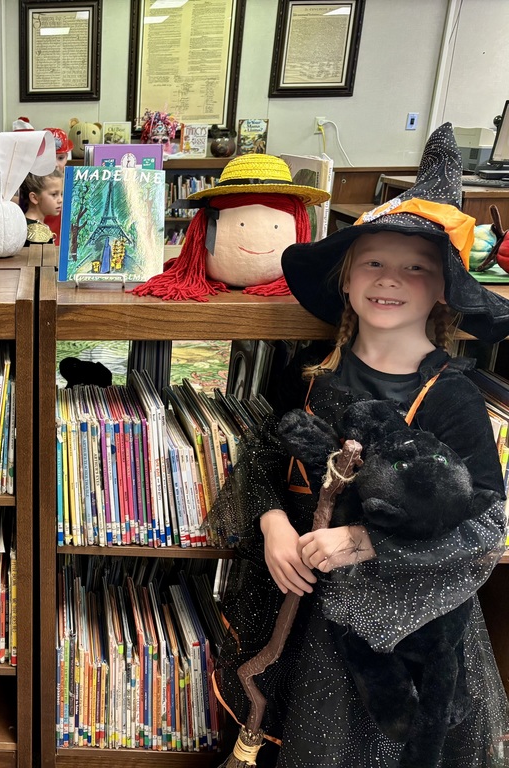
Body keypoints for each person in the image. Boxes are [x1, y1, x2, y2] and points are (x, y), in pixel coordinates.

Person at [211, 123, 509, 767]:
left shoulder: (452, 397)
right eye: (374, 262)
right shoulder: (312, 375)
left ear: (442, 292)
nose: (390, 279)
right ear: (346, 280)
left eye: (416, 268)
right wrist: (270, 524)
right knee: (308, 739)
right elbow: (266, 457)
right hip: (305, 605)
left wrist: (366, 541)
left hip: (403, 625)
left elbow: (485, 522)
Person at [19, 168, 63, 246]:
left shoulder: (27, 223)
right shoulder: (36, 232)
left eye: (61, 194)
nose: (60, 200)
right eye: (54, 194)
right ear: (34, 198)